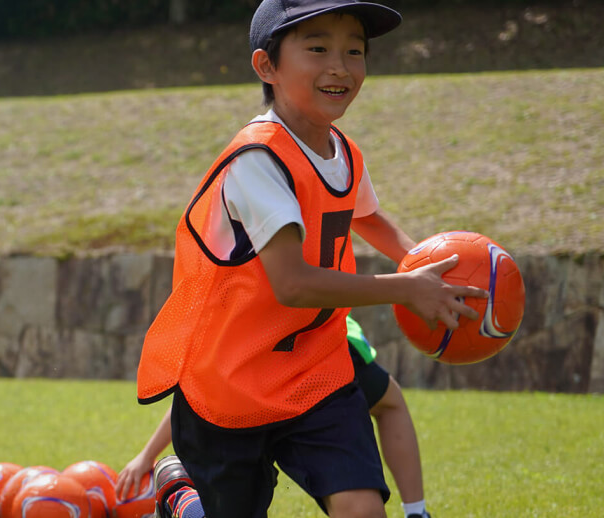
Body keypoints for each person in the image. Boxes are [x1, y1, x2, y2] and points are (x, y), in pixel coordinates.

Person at [134, 1, 487, 517]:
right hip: (229, 385)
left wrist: (427, 263)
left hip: (317, 373)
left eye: (354, 51)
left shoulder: (341, 149)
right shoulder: (258, 159)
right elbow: (293, 284)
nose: (340, 66)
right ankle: (182, 500)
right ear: (266, 67)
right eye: (318, 48)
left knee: (363, 509)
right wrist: (406, 287)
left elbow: (365, 216)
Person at [117, 316, 431, 518]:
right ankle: (186, 504)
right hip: (268, 373)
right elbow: (206, 387)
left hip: (320, 356)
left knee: (362, 508)